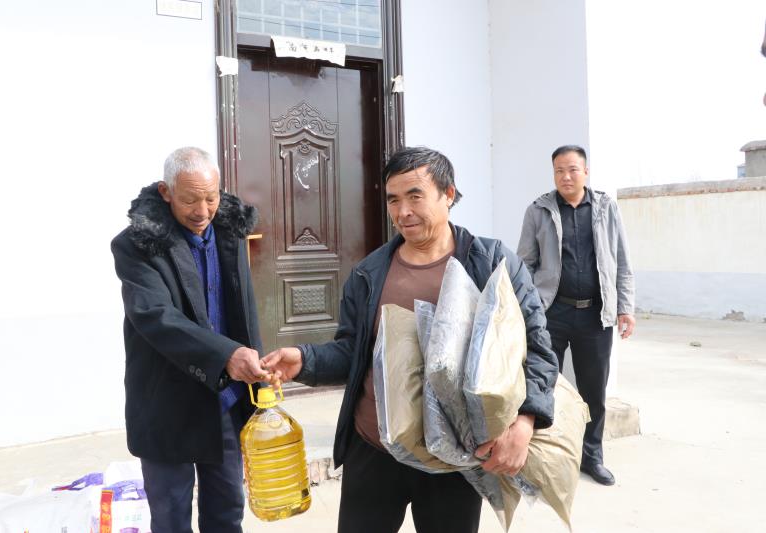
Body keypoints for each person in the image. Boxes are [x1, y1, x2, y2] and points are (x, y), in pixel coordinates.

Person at [261, 146, 558, 533]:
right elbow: (352, 352)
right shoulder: (370, 273)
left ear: (448, 194)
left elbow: (537, 348)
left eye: (415, 196)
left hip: (454, 457)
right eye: (393, 200)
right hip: (374, 447)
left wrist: (525, 421)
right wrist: (305, 360)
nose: (403, 212)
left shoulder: (490, 263)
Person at [110, 147, 268, 532]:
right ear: (166, 192)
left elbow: (242, 312)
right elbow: (155, 316)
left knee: (227, 512)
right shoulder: (137, 244)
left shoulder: (229, 230)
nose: (202, 211)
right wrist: (227, 354)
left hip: (225, 399)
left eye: (210, 198)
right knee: (171, 519)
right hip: (167, 404)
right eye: (189, 200)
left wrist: (257, 374)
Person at [517, 145, 635, 486]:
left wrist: (625, 307)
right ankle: (544, 458)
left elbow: (622, 261)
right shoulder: (538, 210)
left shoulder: (606, 208)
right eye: (559, 170)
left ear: (585, 172)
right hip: (551, 314)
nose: (565, 176)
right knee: (542, 386)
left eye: (572, 169)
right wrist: (528, 309)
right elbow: (525, 264)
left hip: (595, 315)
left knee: (593, 391)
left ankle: (592, 457)